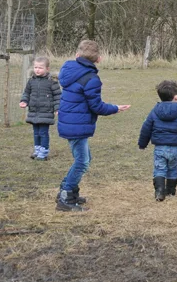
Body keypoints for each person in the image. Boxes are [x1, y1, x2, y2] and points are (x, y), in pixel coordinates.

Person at [56, 40, 130, 211]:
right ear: (99, 59)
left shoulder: (68, 69)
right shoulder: (91, 78)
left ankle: (69, 191)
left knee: (84, 159)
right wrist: (115, 108)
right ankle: (65, 196)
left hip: (70, 123)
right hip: (77, 125)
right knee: (82, 162)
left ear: (77, 55)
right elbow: (96, 106)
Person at [137, 80, 177, 202]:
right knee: (172, 168)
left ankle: (160, 192)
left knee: (159, 169)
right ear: (176, 97)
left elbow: (146, 128)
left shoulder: (154, 112)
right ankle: (171, 191)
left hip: (160, 148)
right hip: (176, 149)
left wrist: (142, 144)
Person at [19, 56, 61, 161]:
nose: (37, 70)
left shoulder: (52, 82)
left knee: (43, 132)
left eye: (40, 68)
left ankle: (43, 152)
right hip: (34, 112)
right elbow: (27, 93)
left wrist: (57, 108)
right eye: (36, 67)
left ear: (47, 69)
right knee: (36, 133)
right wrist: (24, 101)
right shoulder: (31, 81)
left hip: (46, 112)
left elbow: (57, 96)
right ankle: (37, 150)